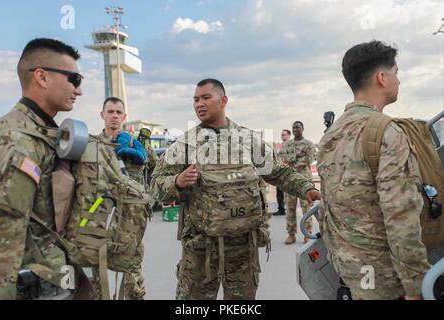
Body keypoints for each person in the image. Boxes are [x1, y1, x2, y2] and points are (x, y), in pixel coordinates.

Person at [151, 78, 320, 300]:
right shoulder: (186, 144)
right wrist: (177, 182)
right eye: (195, 100)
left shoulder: (248, 140)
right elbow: (155, 185)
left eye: (205, 97)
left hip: (243, 246)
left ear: (224, 100)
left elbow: (279, 172)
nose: (199, 104)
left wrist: (307, 188)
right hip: (201, 247)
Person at [317, 40, 430, 300]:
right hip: (387, 279)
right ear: (382, 77)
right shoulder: (386, 132)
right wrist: (415, 286)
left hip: (352, 270)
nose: (398, 80)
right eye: (396, 73)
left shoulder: (330, 135)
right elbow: (401, 216)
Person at [0, 38, 83, 299]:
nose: (79, 91)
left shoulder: (41, 133)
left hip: (52, 278)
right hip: (35, 284)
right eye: (74, 79)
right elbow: (3, 239)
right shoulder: (18, 141)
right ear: (42, 77)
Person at [98, 97, 149, 300]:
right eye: (110, 112)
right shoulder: (92, 145)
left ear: (124, 116)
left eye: (119, 112)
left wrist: (143, 153)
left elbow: (154, 168)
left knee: (132, 285)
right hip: (99, 218)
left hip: (131, 223)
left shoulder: (133, 143)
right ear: (102, 115)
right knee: (95, 278)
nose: (114, 116)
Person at [279, 121, 316, 244]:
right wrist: (297, 159)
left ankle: (307, 233)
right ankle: (291, 234)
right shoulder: (286, 145)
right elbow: (282, 160)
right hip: (289, 181)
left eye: (298, 127)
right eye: (293, 127)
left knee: (306, 208)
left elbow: (309, 159)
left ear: (303, 129)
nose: (295, 129)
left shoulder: (309, 144)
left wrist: (292, 163)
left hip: (304, 181)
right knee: (290, 208)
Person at [272, 129, 291, 216]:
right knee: (279, 192)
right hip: (280, 172)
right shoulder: (280, 146)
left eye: (284, 135)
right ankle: (281, 209)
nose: (282, 136)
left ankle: (290, 210)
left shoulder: (291, 145)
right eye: (282, 135)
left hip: (288, 172)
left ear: (289, 135)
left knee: (289, 193)